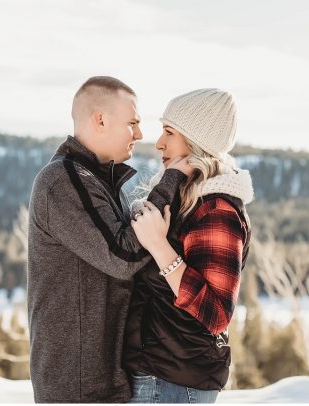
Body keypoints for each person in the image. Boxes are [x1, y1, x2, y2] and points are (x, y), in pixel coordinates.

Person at [26, 76, 190, 402]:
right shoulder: (63, 181)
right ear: (100, 120)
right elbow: (122, 256)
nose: (140, 135)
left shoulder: (96, 181)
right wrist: (173, 178)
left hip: (102, 381)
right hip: (78, 388)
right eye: (133, 123)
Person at [124, 88, 254, 403]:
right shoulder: (187, 199)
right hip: (157, 372)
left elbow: (216, 313)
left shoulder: (216, 209)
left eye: (169, 132)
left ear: (197, 141)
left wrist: (160, 248)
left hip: (173, 381)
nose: (159, 143)